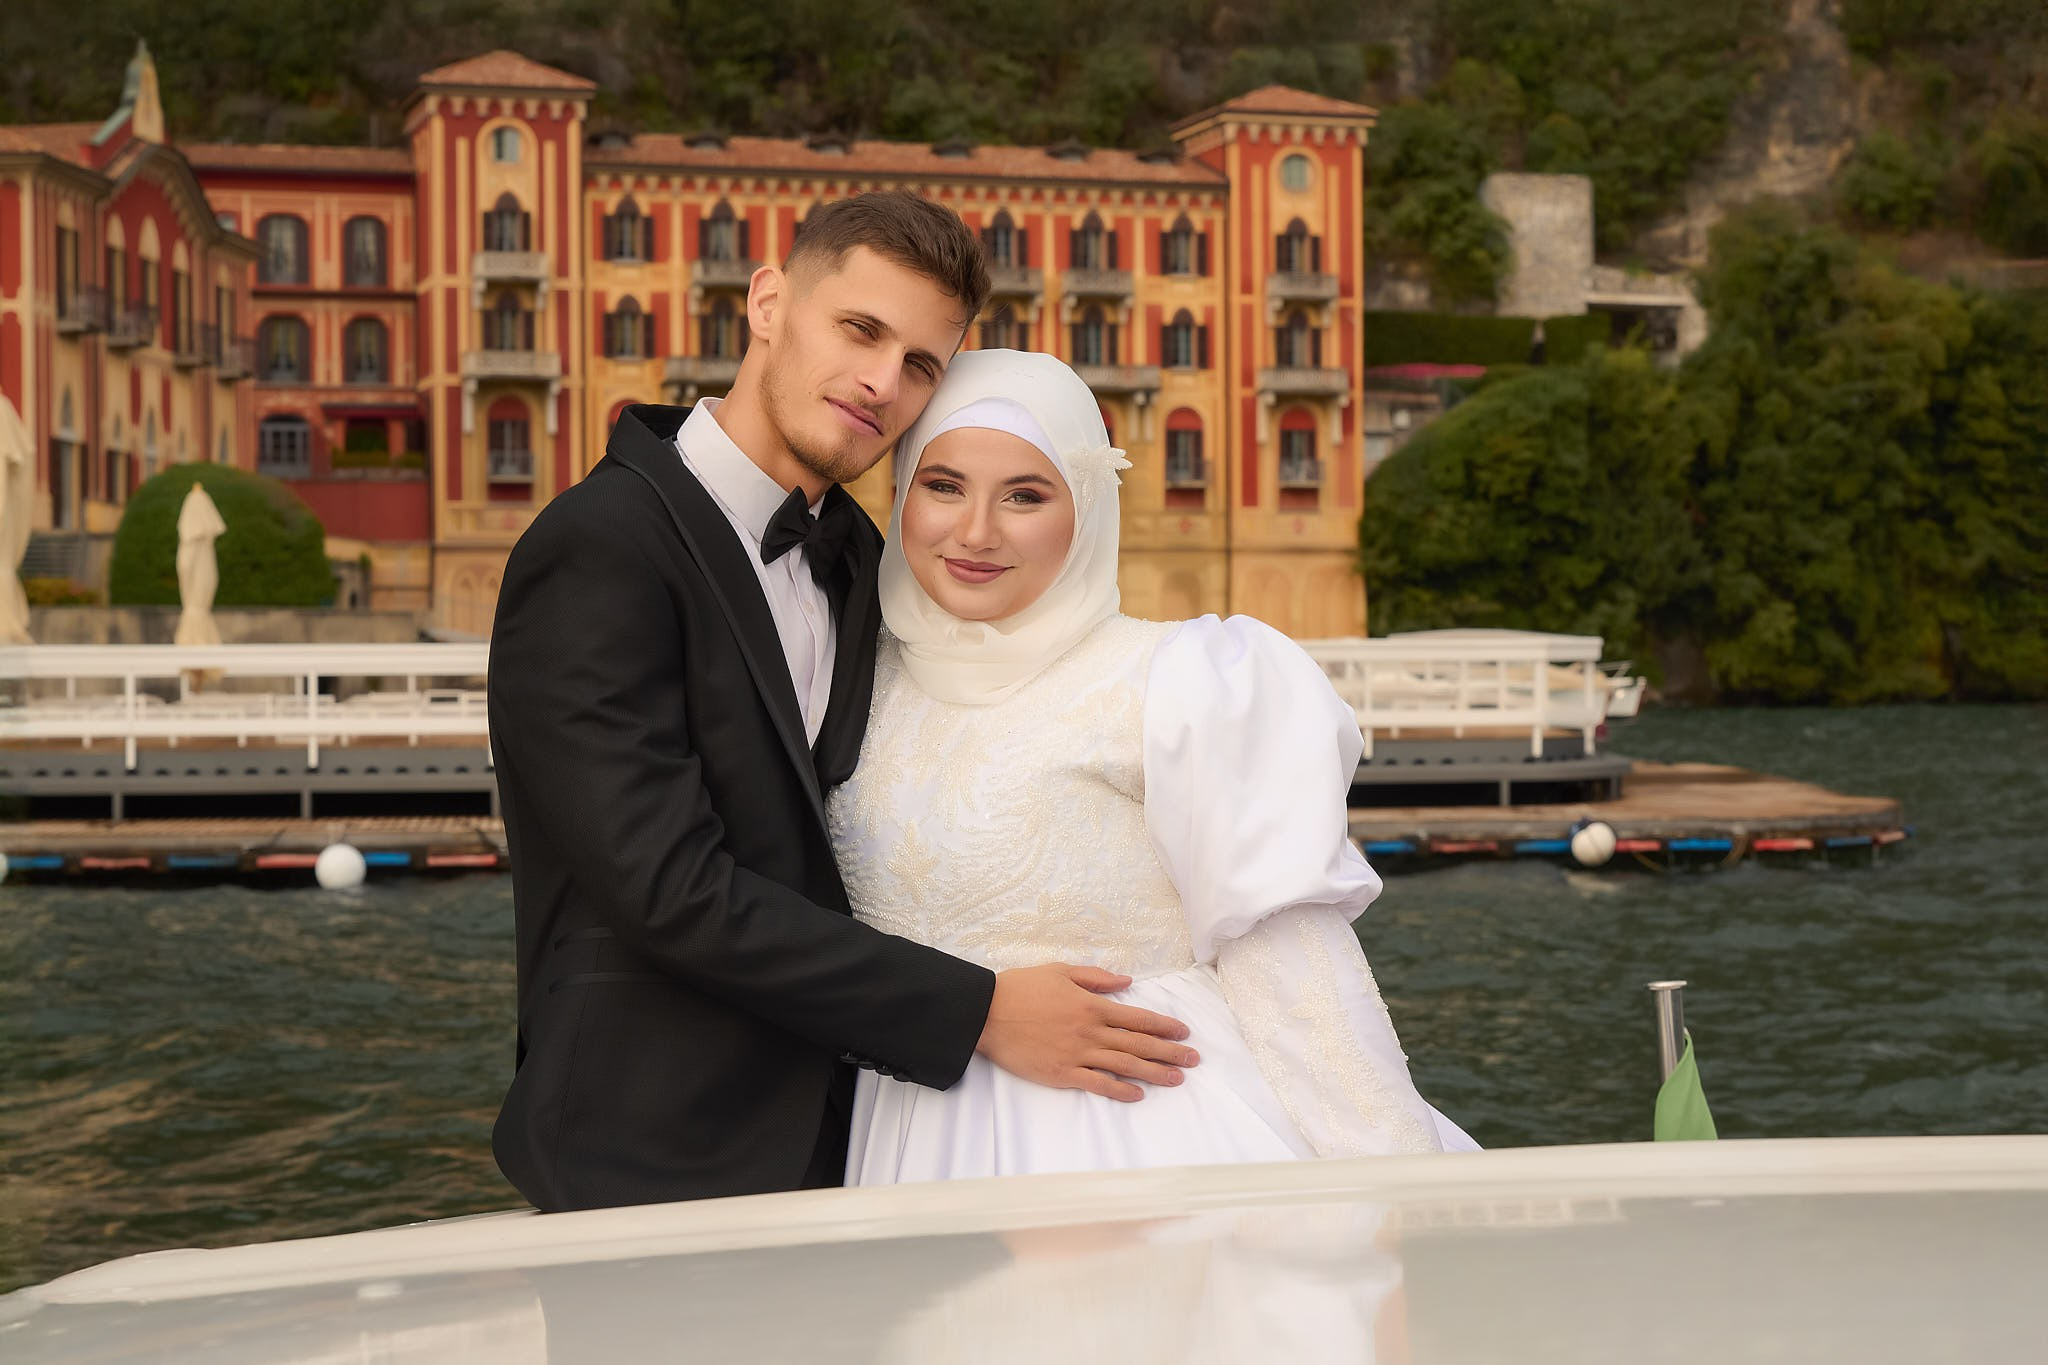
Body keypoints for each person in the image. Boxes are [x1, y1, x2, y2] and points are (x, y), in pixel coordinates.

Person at [487, 193, 1198, 1213]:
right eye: (860, 330)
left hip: (867, 1137)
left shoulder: (873, 560)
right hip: (649, 1145)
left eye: (921, 365)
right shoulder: (597, 546)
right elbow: (667, 888)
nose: (882, 382)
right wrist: (981, 1013)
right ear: (768, 302)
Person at [832, 349, 1476, 1183]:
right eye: (944, 485)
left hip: (1130, 1145)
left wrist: (1400, 1196)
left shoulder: (1176, 681)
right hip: (900, 1130)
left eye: (1025, 495)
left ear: (1088, 505)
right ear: (900, 492)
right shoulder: (848, 672)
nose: (977, 531)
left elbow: (1294, 971)